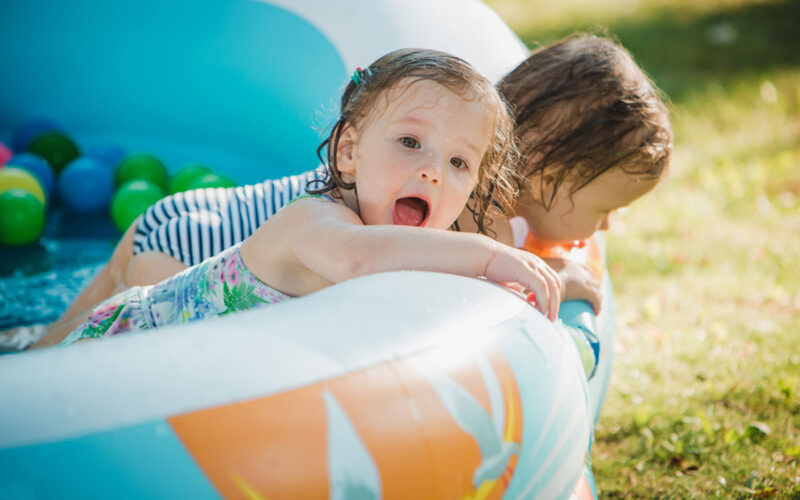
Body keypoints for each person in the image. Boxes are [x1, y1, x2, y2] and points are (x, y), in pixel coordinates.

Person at [9, 34, 672, 349]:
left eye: (460, 162)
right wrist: (506, 262)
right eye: (605, 207)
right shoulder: (462, 220)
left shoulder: (435, 181)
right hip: (192, 250)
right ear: (552, 161)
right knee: (61, 367)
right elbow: (364, 259)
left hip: (187, 229)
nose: (604, 227)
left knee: (50, 344)